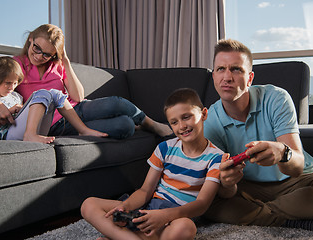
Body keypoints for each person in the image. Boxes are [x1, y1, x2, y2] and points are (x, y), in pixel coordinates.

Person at [203, 39, 313, 235]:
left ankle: (262, 215)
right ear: (214, 75)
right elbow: (225, 191)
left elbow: (297, 167)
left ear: (249, 78)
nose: (227, 77)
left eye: (236, 69)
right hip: (249, 188)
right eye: (220, 69)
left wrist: (283, 153)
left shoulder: (276, 98)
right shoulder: (209, 122)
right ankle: (298, 221)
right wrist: (227, 183)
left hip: (294, 183)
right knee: (205, 200)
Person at [0, 24, 172, 140]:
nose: (39, 56)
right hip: (55, 124)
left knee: (118, 103)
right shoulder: (14, 66)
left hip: (76, 109)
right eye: (36, 48)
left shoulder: (57, 66)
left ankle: (151, 124)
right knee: (125, 127)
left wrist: (66, 62)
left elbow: (78, 97)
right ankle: (135, 124)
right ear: (31, 40)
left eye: (47, 54)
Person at [80, 88, 227, 240]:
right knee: (88, 205)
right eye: (174, 122)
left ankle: (122, 236)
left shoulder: (216, 158)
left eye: (186, 117)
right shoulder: (165, 148)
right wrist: (126, 206)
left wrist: (164, 216)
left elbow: (202, 204)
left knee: (186, 228)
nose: (182, 126)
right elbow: (145, 191)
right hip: (148, 208)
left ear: (203, 114)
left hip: (177, 217)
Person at [0, 55, 106, 143]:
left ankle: (82, 130)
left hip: (31, 128)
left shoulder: (16, 96)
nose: (12, 87)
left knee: (55, 94)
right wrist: (8, 112)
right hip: (8, 135)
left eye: (15, 83)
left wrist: (22, 109)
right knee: (42, 93)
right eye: (7, 83)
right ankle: (30, 135)